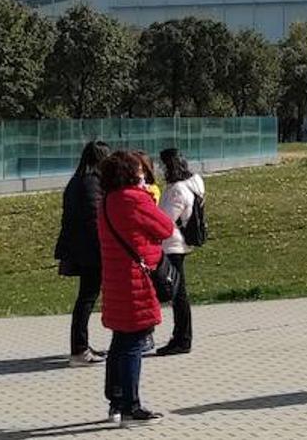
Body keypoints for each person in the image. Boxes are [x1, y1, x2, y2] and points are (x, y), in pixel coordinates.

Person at [97, 150, 176, 426]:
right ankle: (132, 406)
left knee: (120, 342)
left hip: (116, 280)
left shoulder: (107, 200)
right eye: (139, 171)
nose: (143, 174)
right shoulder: (134, 199)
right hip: (136, 281)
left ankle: (115, 401)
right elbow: (165, 227)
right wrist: (148, 197)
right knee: (133, 343)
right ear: (130, 174)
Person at [55, 140, 112, 367]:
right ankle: (79, 350)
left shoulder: (77, 180)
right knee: (86, 298)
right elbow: (93, 217)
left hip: (80, 247)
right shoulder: (91, 183)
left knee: (86, 297)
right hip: (89, 250)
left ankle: (81, 346)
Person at [155, 148, 205, 357]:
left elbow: (164, 220)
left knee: (178, 293)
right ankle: (180, 337)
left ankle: (182, 338)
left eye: (162, 165)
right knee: (178, 292)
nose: (160, 169)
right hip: (180, 243)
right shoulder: (194, 182)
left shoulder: (176, 190)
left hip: (172, 244)